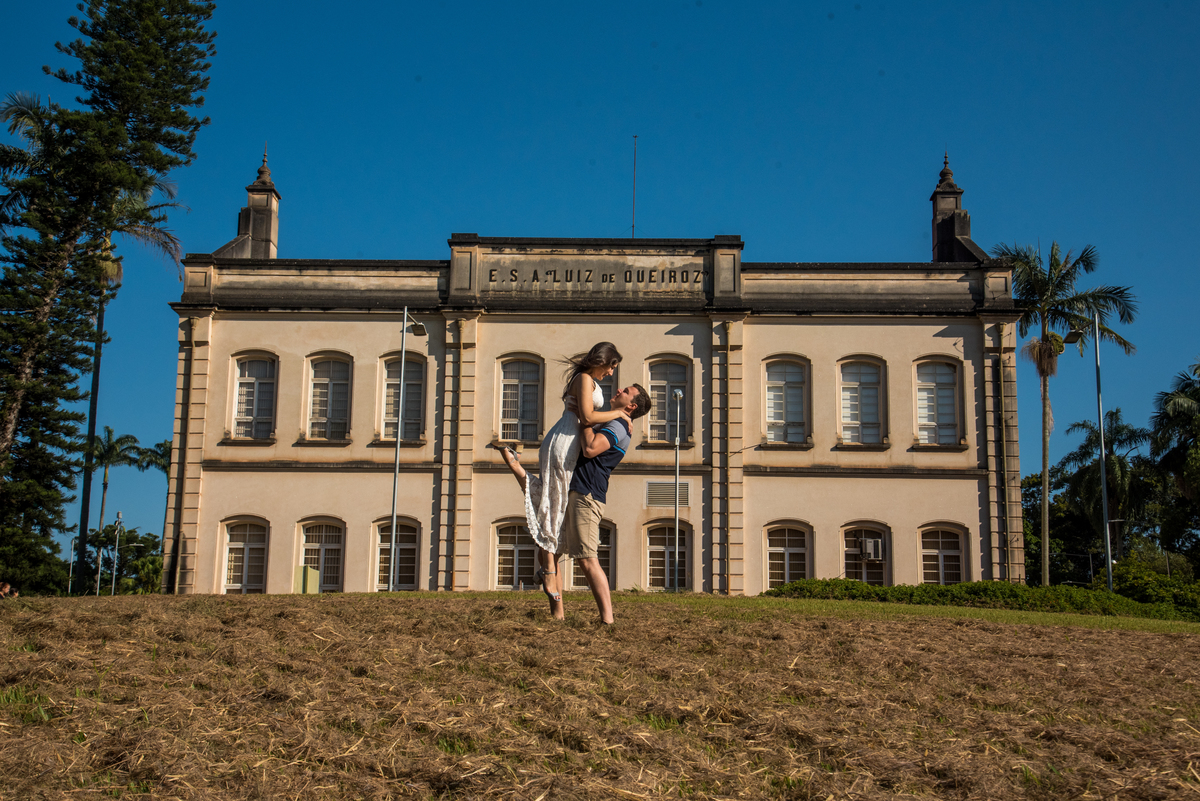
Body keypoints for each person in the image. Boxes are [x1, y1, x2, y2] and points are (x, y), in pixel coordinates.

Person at [494, 342, 629, 618]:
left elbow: (589, 419)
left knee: (552, 502)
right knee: (553, 507)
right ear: (602, 360)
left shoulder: (589, 381)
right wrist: (618, 413)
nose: (611, 373)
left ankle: (555, 600)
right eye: (612, 366)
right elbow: (588, 416)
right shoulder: (585, 378)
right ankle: (548, 573)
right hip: (564, 443)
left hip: (568, 442)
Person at [558, 382, 652, 624]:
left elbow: (590, 448)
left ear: (632, 406)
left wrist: (585, 419)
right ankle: (557, 612)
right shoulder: (614, 420)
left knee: (587, 558)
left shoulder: (618, 425)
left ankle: (608, 620)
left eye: (626, 392)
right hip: (579, 490)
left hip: (587, 494)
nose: (619, 390)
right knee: (558, 551)